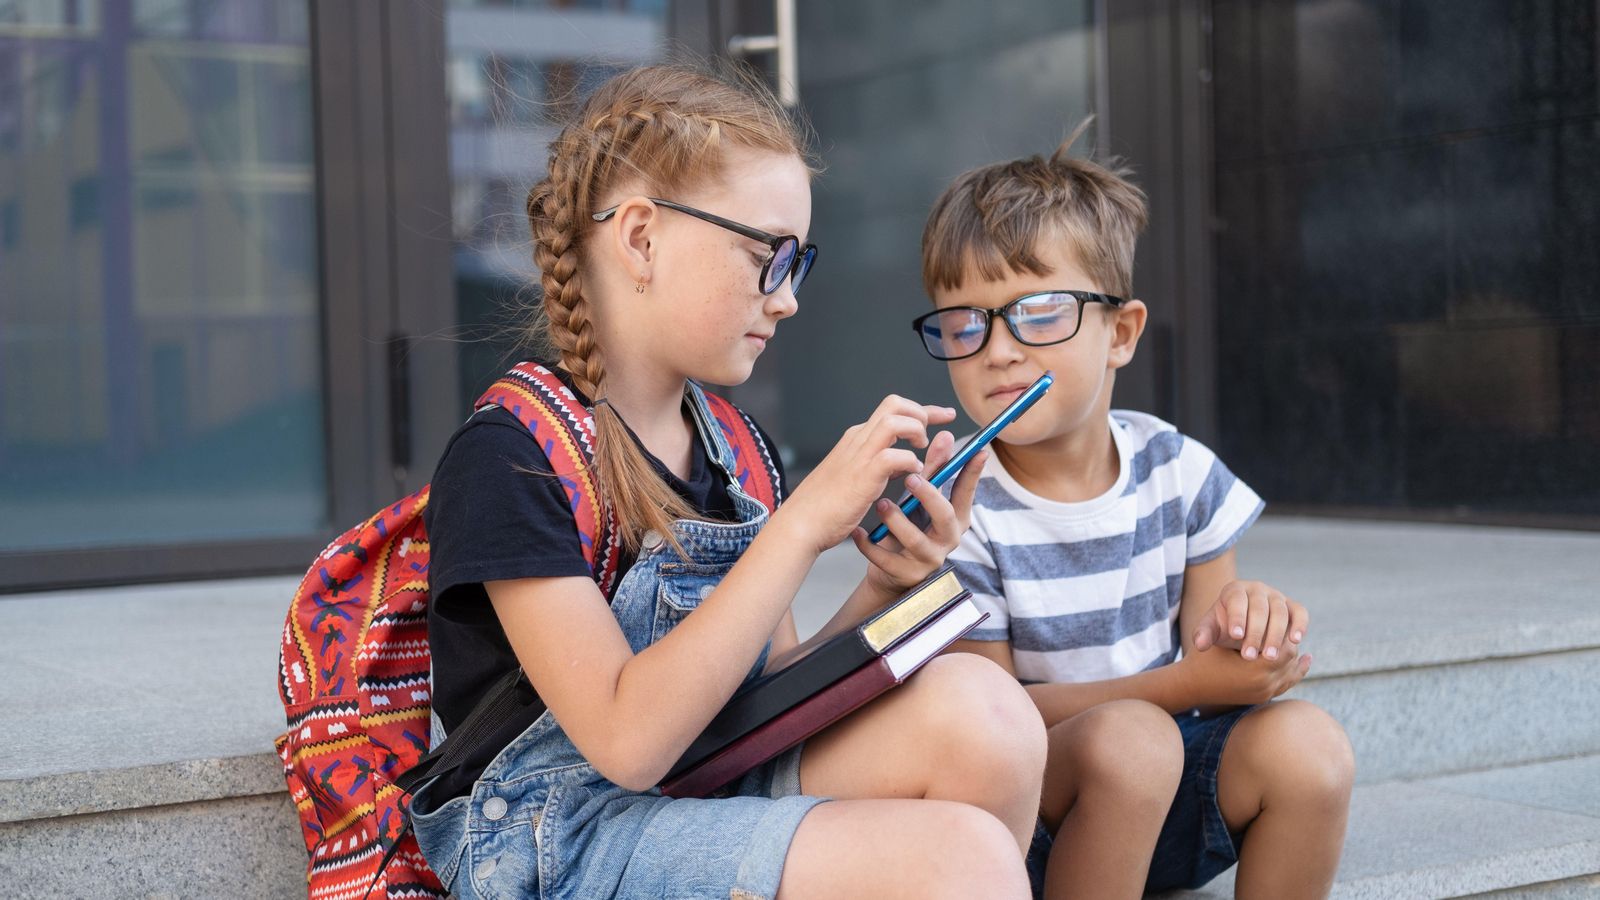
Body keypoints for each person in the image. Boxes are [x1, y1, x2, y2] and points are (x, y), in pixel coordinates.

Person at [406, 63, 1046, 900]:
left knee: (986, 713)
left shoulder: (737, 447)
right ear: (641, 238)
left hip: (705, 772)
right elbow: (628, 740)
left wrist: (880, 588)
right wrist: (799, 528)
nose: (785, 301)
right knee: (959, 857)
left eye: (798, 263)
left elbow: (765, 697)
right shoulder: (512, 456)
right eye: (766, 257)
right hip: (560, 836)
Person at [915, 124, 1356, 898]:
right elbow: (993, 722)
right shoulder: (962, 511)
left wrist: (1251, 632)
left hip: (1169, 795)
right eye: (964, 324)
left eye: (1039, 312)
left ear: (1120, 333)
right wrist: (1183, 689)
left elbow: (1215, 672)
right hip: (1026, 828)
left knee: (1310, 748)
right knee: (1134, 741)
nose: (998, 351)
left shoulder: (1177, 471)